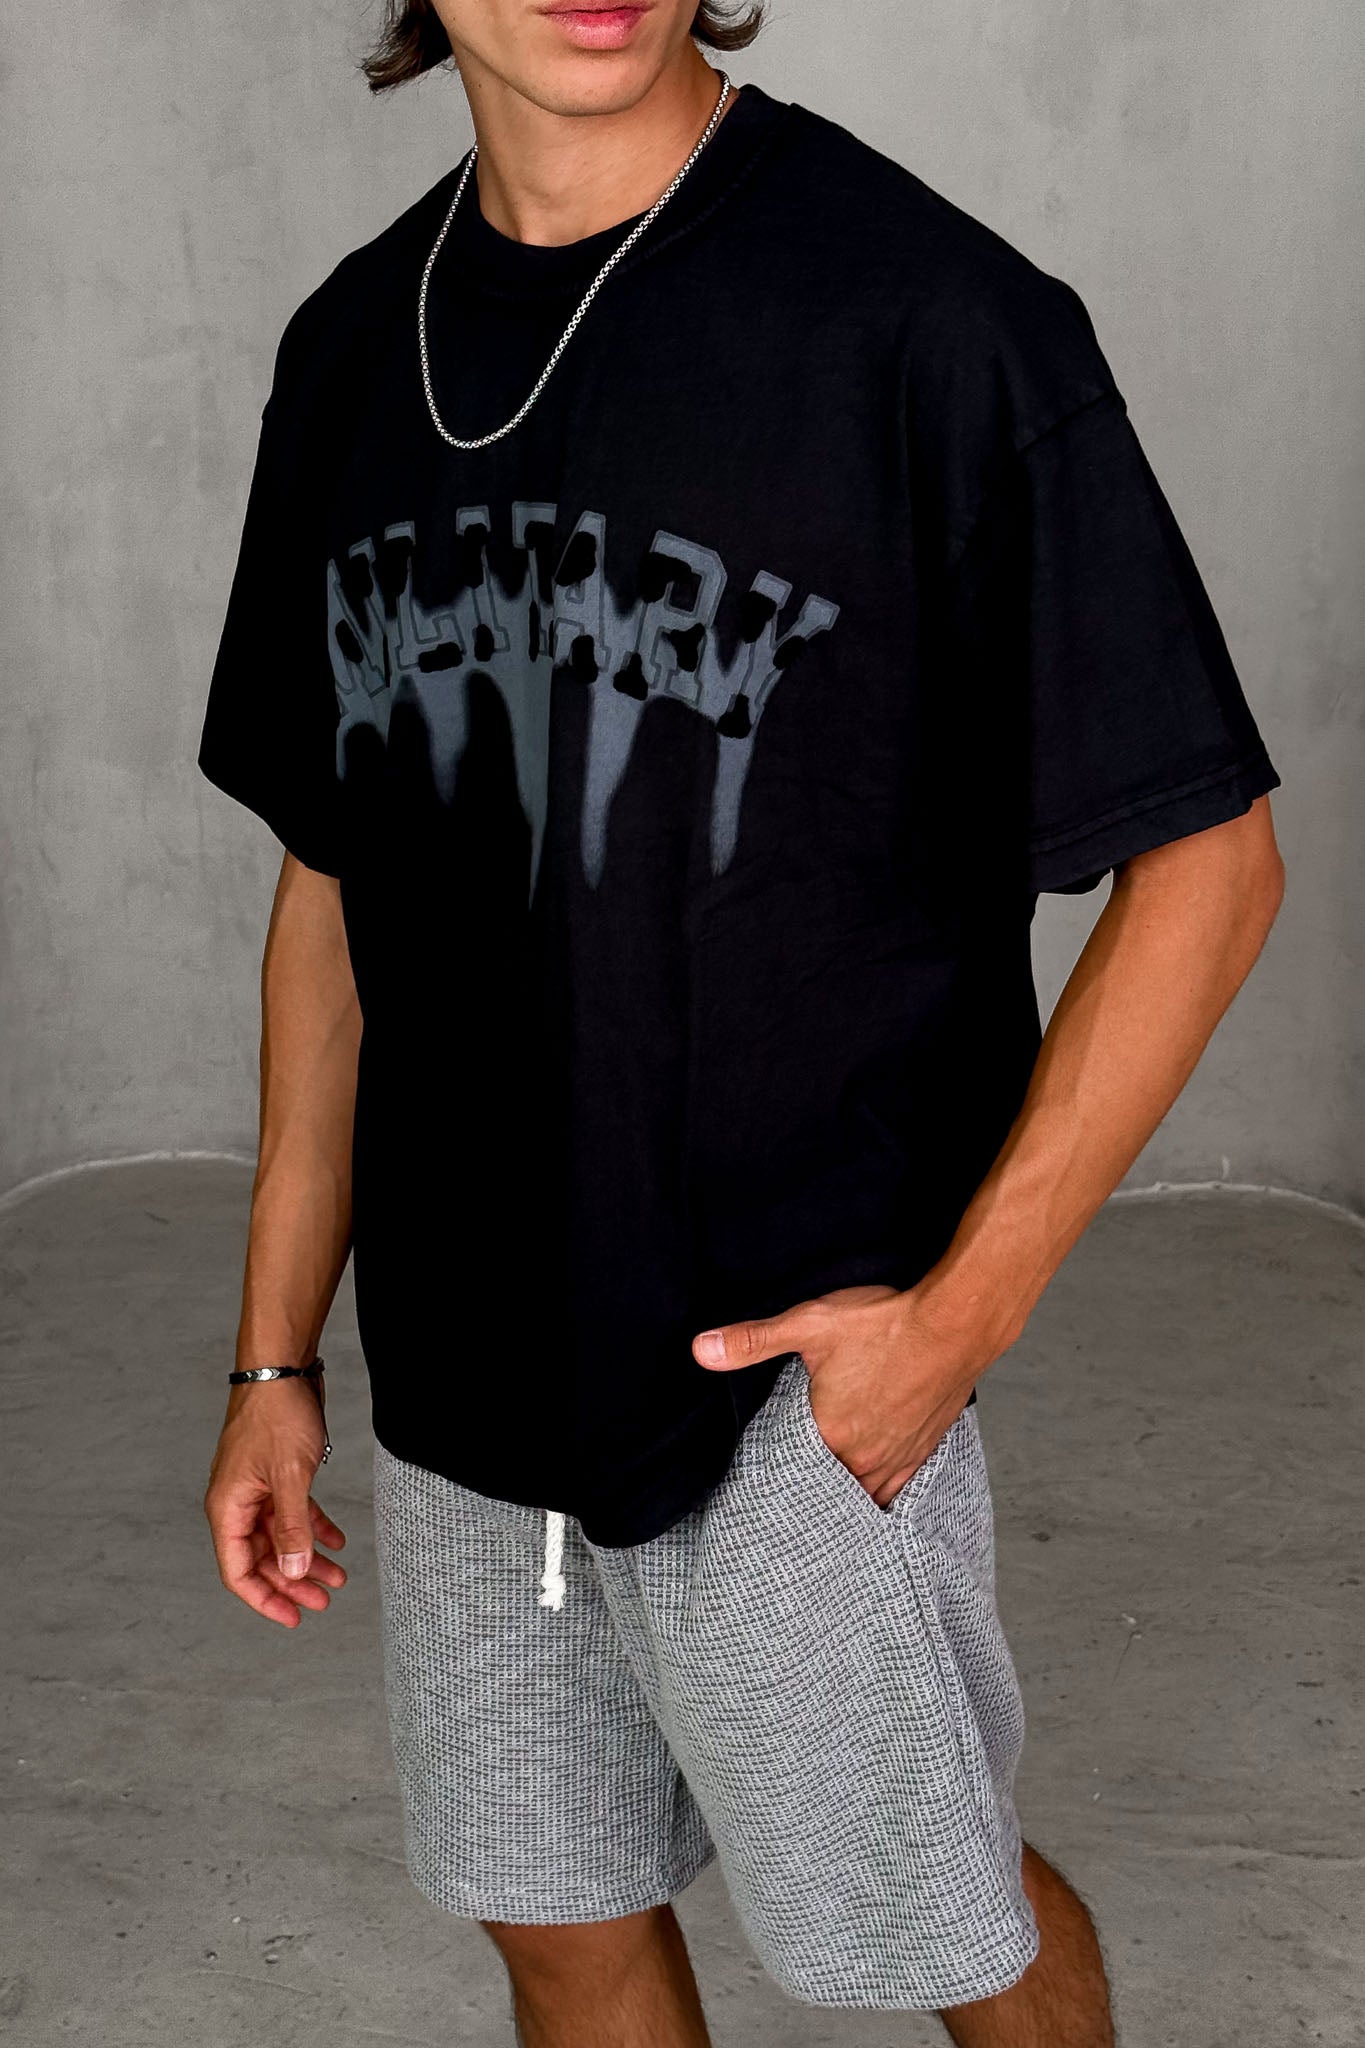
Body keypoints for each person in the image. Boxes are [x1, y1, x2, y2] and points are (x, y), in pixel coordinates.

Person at [198, 2, 1285, 2042]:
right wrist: (274, 1353)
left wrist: (946, 1329)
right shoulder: (353, 348)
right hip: (465, 1368)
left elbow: (1210, 865)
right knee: (554, 1913)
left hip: (788, 1368)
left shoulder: (926, 320)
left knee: (938, 1919)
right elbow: (333, 879)